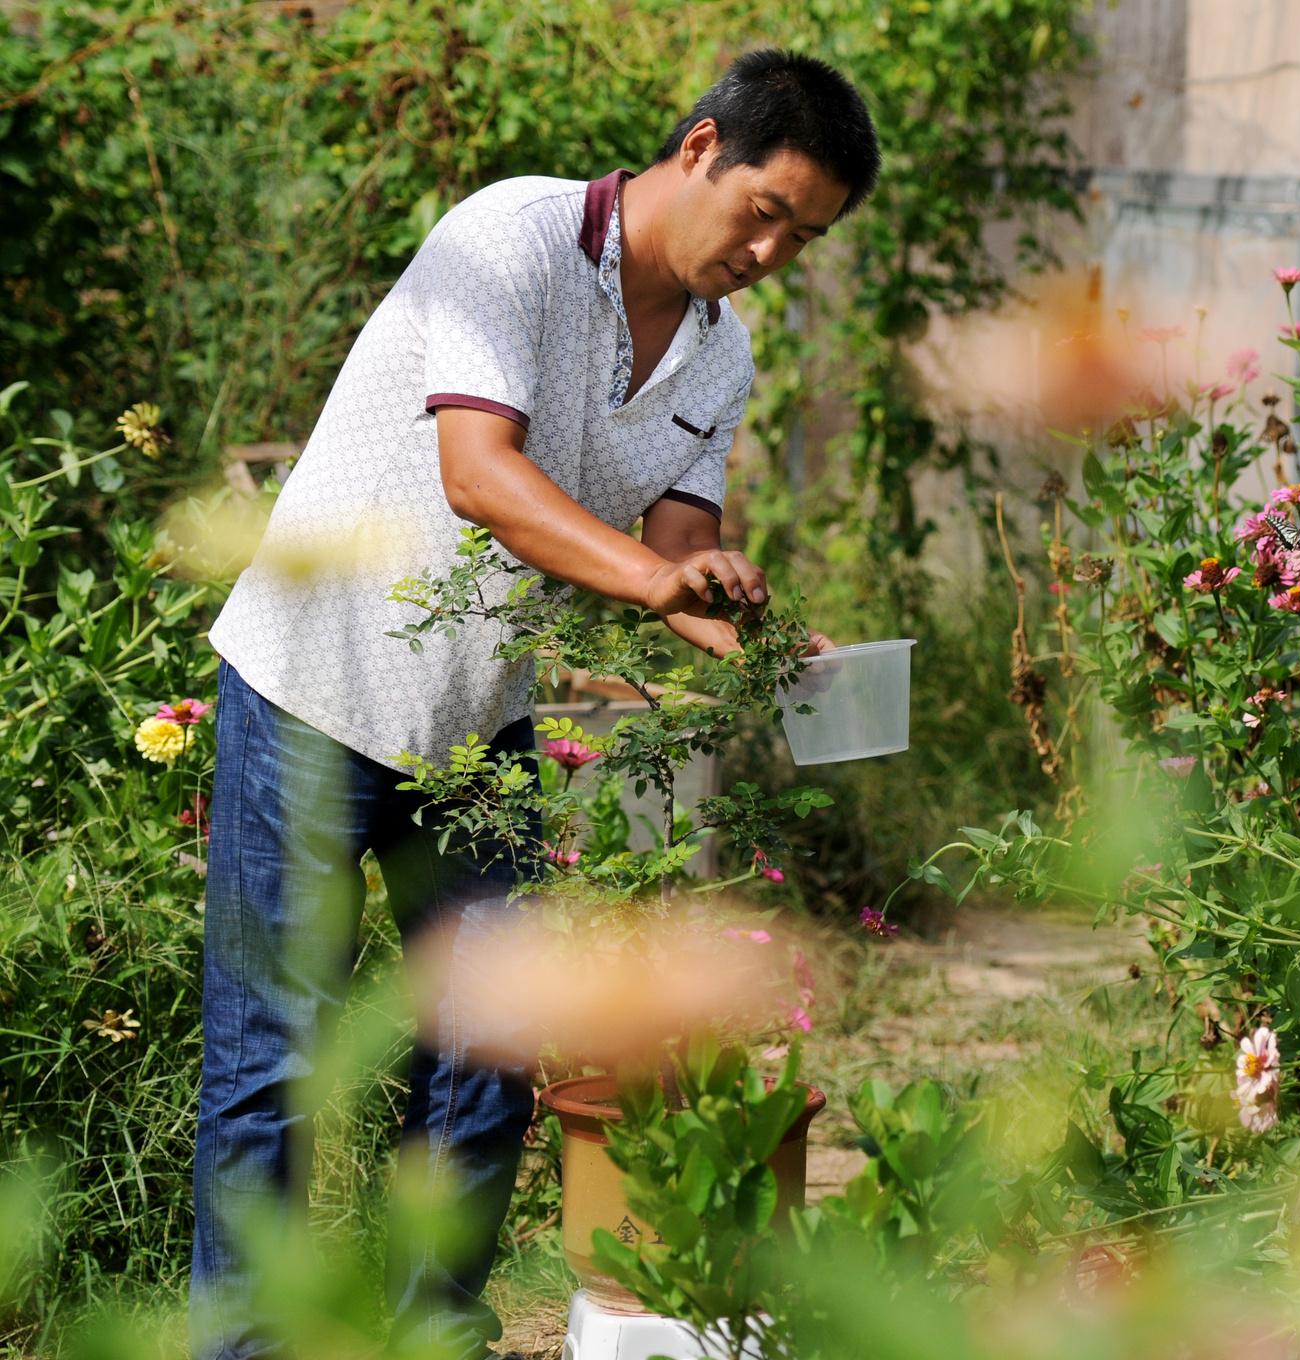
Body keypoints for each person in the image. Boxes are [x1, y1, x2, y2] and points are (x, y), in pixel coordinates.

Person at [190, 49, 879, 1360]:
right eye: (768, 210)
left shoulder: (720, 358)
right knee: (271, 1062)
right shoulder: (509, 237)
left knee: (489, 1055)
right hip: (314, 682)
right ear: (696, 151)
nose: (777, 251)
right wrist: (663, 575)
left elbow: (679, 551)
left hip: (477, 716)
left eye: (809, 235)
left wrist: (760, 633)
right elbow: (480, 475)